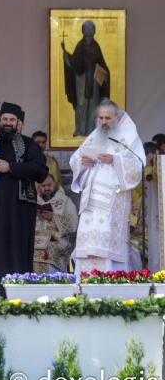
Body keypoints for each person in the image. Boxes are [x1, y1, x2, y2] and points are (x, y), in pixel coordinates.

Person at [0, 102, 48, 281]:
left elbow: (40, 171)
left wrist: (9, 166)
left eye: (12, 120)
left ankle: (16, 291)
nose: (7, 123)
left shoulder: (28, 144)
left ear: (19, 122)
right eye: (4, 119)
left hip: (19, 210)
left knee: (16, 251)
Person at [70, 99, 144, 274]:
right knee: (88, 244)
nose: (103, 122)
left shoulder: (129, 138)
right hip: (90, 202)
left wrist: (115, 160)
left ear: (117, 117)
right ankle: (86, 279)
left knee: (107, 245)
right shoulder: (94, 136)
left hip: (113, 201)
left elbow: (138, 165)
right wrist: (82, 163)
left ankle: (110, 277)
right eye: (101, 118)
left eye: (108, 118)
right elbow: (75, 159)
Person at [62, 20, 111, 137]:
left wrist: (105, 74)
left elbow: (101, 62)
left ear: (94, 31)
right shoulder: (80, 45)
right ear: (83, 31)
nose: (89, 31)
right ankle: (80, 129)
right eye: (87, 29)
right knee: (81, 104)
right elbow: (74, 61)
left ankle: (93, 130)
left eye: (91, 29)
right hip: (82, 79)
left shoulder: (96, 46)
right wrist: (66, 54)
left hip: (94, 80)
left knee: (94, 103)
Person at [33, 174, 78, 274]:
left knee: (47, 249)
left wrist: (54, 217)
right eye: (43, 186)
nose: (46, 188)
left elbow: (73, 223)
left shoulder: (66, 201)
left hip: (56, 241)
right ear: (39, 187)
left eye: (49, 185)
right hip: (35, 239)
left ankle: (46, 281)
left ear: (55, 184)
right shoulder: (33, 201)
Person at [129, 142, 159, 271]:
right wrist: (132, 228)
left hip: (150, 237)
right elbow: (132, 220)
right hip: (137, 236)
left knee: (133, 247)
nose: (147, 191)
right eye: (145, 188)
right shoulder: (139, 201)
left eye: (149, 188)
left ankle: (138, 276)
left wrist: (142, 231)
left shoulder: (159, 203)